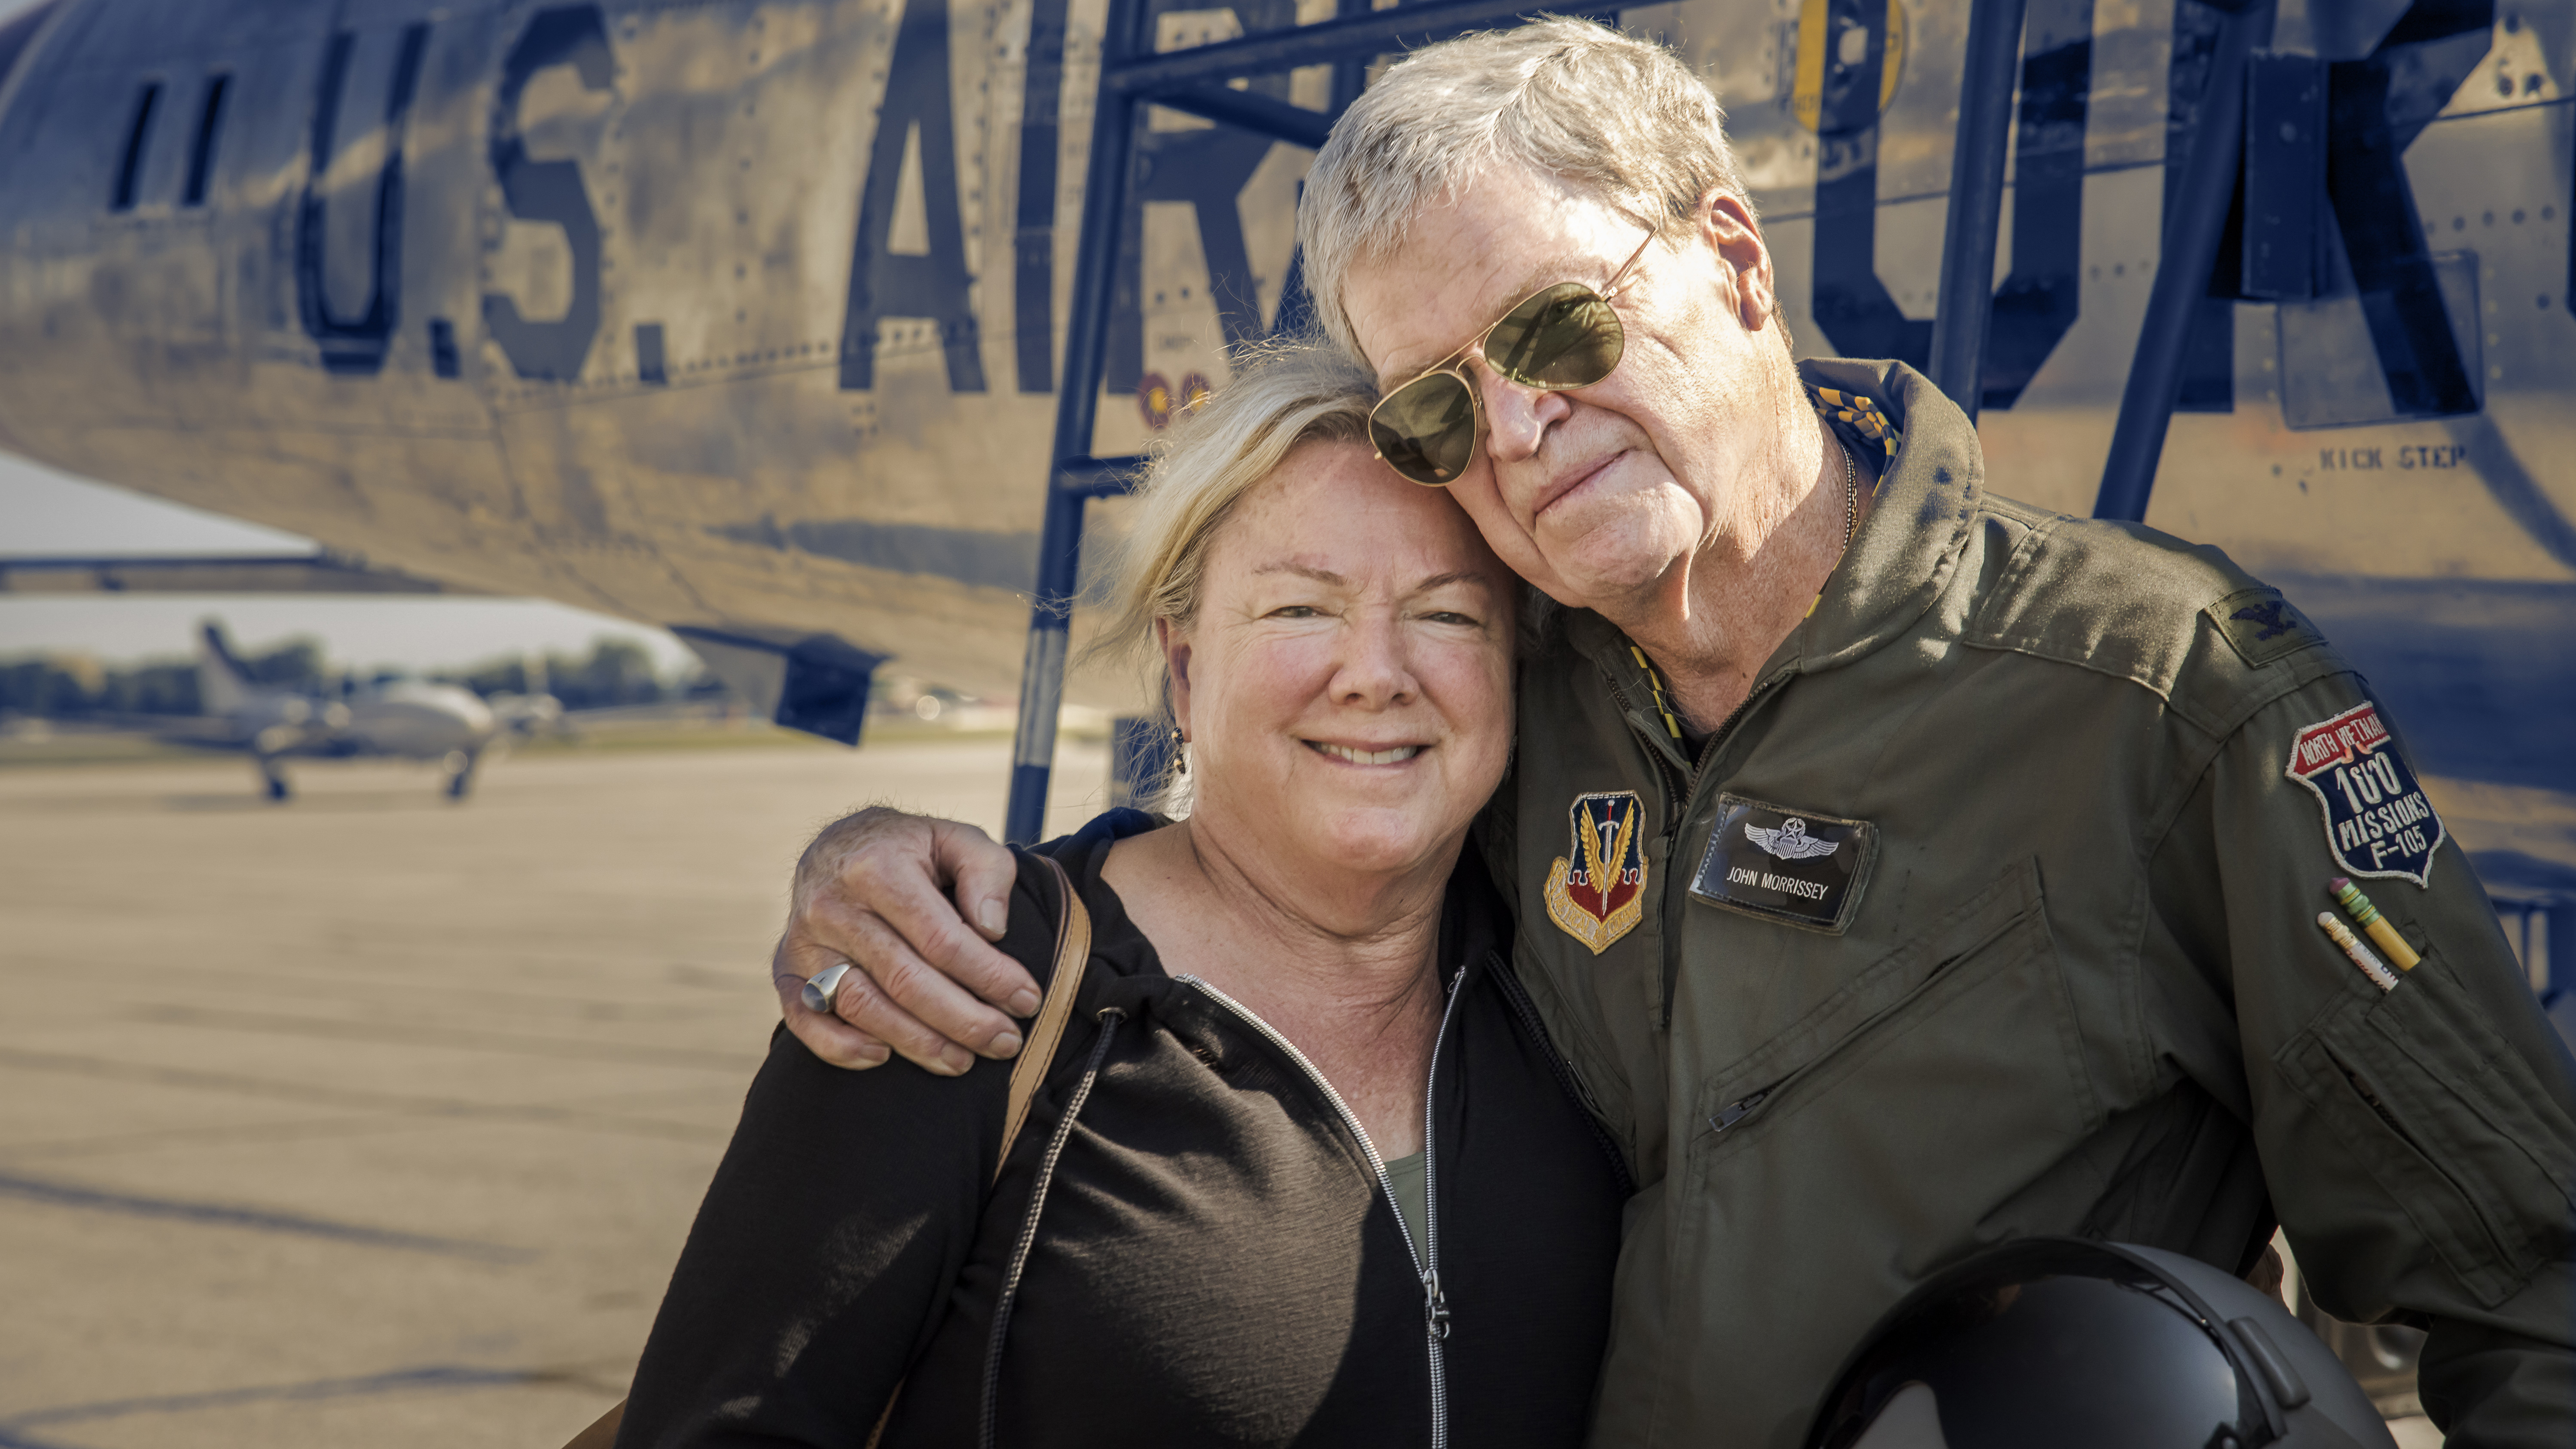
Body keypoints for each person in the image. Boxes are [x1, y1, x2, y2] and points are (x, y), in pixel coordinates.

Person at [764, 19, 2576, 1449]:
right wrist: (933, 885)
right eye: (1431, 407)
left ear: (1731, 260)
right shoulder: (1508, 693)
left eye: (1556, 325)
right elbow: (1263, 854)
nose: (1519, 431)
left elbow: (2522, 1296)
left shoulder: (2169, 700)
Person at [615, 346, 1627, 1448]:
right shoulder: (964, 980)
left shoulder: (1571, 980)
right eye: (1299, 608)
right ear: (1184, 672)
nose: (1375, 672)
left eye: (1446, 616)